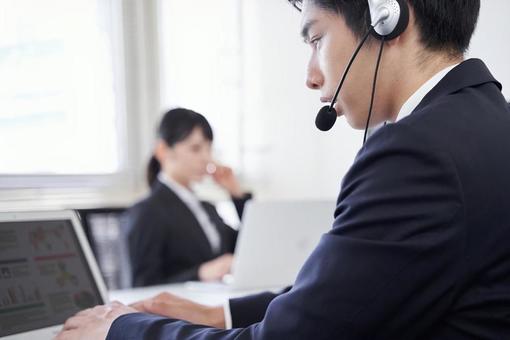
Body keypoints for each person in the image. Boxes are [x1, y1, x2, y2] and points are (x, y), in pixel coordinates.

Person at [57, 0, 510, 339]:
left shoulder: (418, 153)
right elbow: (348, 296)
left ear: (385, 16)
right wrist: (222, 314)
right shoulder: (483, 122)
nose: (311, 76)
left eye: (316, 39)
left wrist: (120, 330)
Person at [126, 108, 252, 286]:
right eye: (196, 149)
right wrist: (200, 273)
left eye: (209, 149)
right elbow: (143, 285)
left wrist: (236, 194)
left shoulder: (206, 208)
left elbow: (248, 246)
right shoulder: (148, 211)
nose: (207, 158)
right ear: (163, 150)